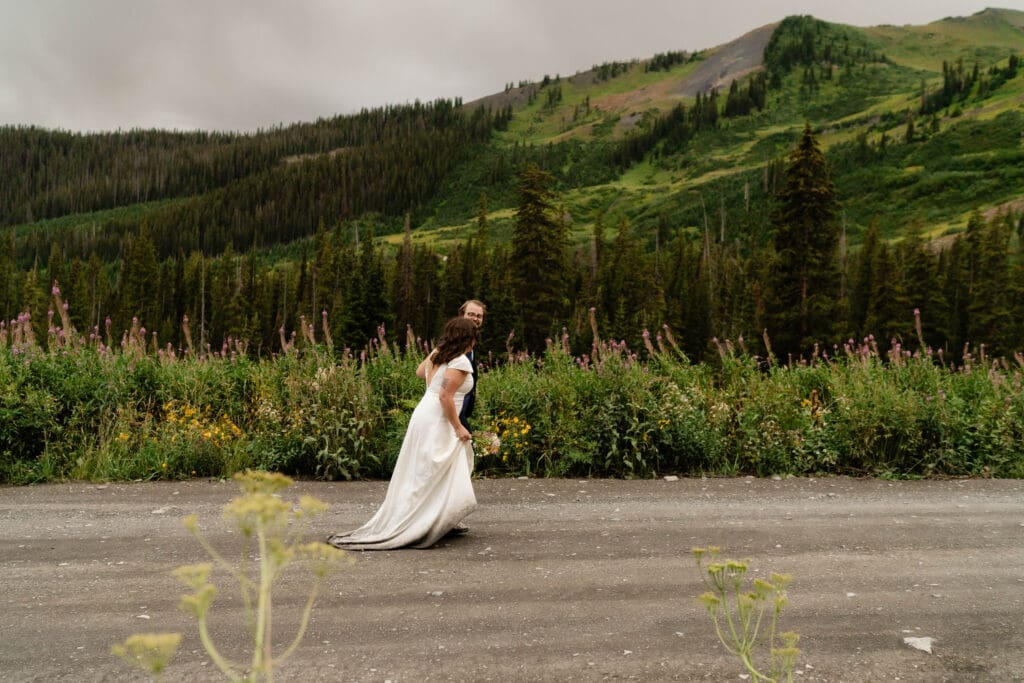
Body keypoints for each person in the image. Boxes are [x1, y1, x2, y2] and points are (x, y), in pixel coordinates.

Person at [327, 316, 480, 549]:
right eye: (474, 336)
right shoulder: (460, 361)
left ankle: (435, 517)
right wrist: (458, 426)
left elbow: (421, 372)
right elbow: (445, 396)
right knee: (432, 469)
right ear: (467, 338)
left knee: (425, 469)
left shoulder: (439, 355)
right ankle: (425, 520)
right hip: (438, 418)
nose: (475, 341)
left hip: (425, 414)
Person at [457, 299, 486, 431]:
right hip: (452, 413)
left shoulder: (471, 342)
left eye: (479, 316)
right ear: (462, 315)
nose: (475, 318)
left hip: (461, 412)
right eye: (471, 314)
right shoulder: (452, 342)